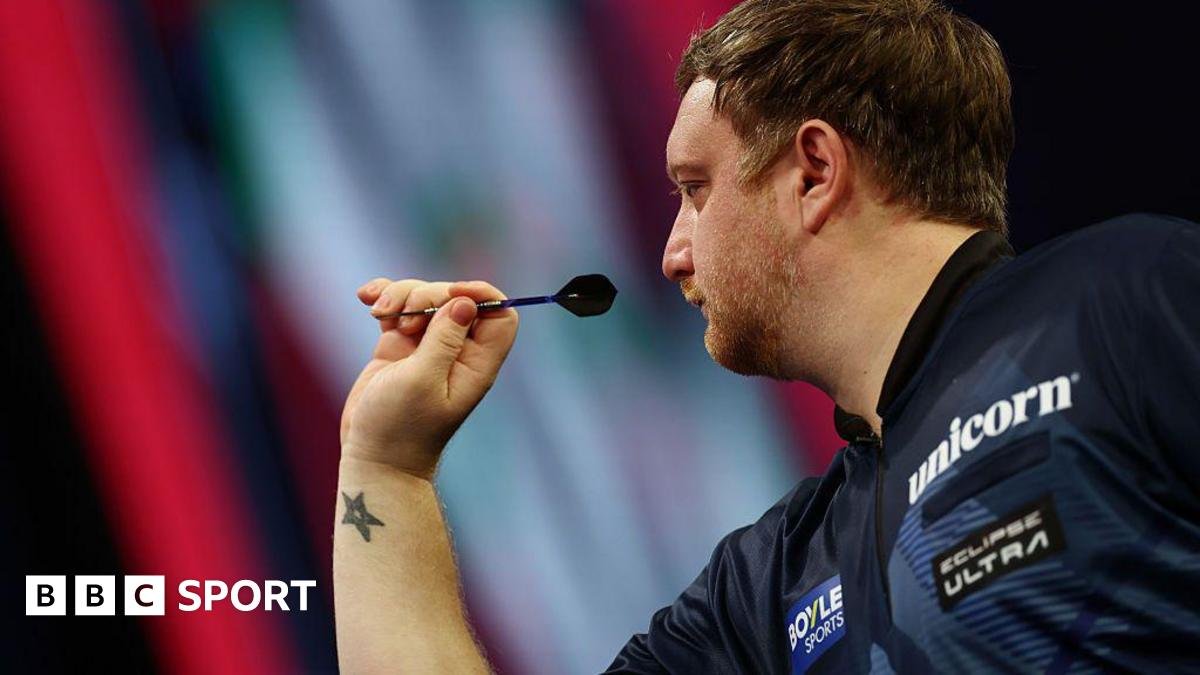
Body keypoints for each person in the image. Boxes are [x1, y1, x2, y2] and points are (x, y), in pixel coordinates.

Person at [334, 0, 1200, 672]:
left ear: (814, 171)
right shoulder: (770, 585)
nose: (674, 252)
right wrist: (388, 469)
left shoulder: (1134, 300)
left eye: (696, 188)